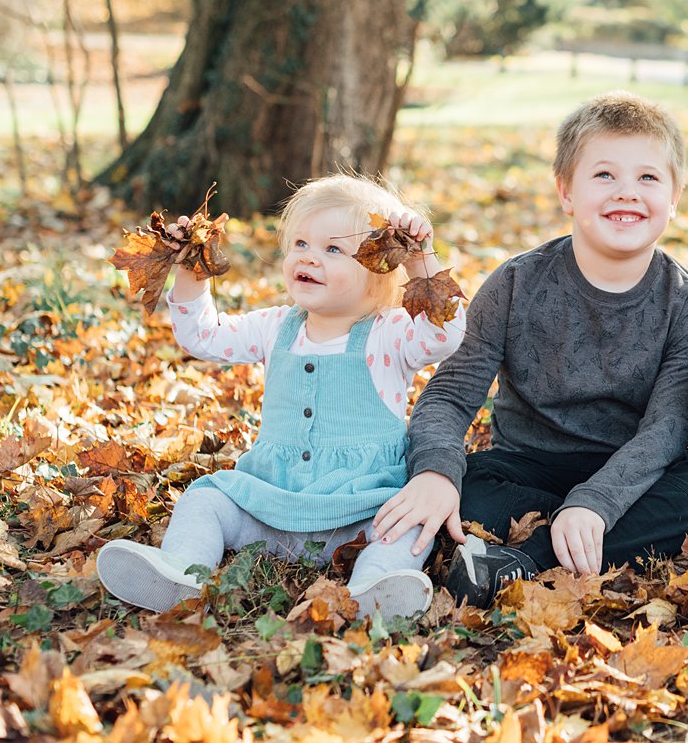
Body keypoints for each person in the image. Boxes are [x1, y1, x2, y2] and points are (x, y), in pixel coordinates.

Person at [371, 92, 688, 606]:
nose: (627, 193)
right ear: (566, 192)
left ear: (675, 196)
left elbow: (667, 429)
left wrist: (596, 502)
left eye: (648, 178)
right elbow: (450, 395)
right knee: (461, 482)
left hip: (635, 474)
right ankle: (598, 539)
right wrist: (437, 471)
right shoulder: (516, 282)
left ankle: (527, 559)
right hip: (529, 469)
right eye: (604, 176)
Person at [97, 174, 466, 619]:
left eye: (333, 249)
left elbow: (444, 335)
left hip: (360, 510)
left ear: (379, 269)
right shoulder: (276, 327)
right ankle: (182, 573)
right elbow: (205, 336)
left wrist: (419, 260)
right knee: (207, 498)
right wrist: (193, 269)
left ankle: (375, 585)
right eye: (300, 244)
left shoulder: (388, 336)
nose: (309, 258)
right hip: (271, 505)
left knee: (405, 526)